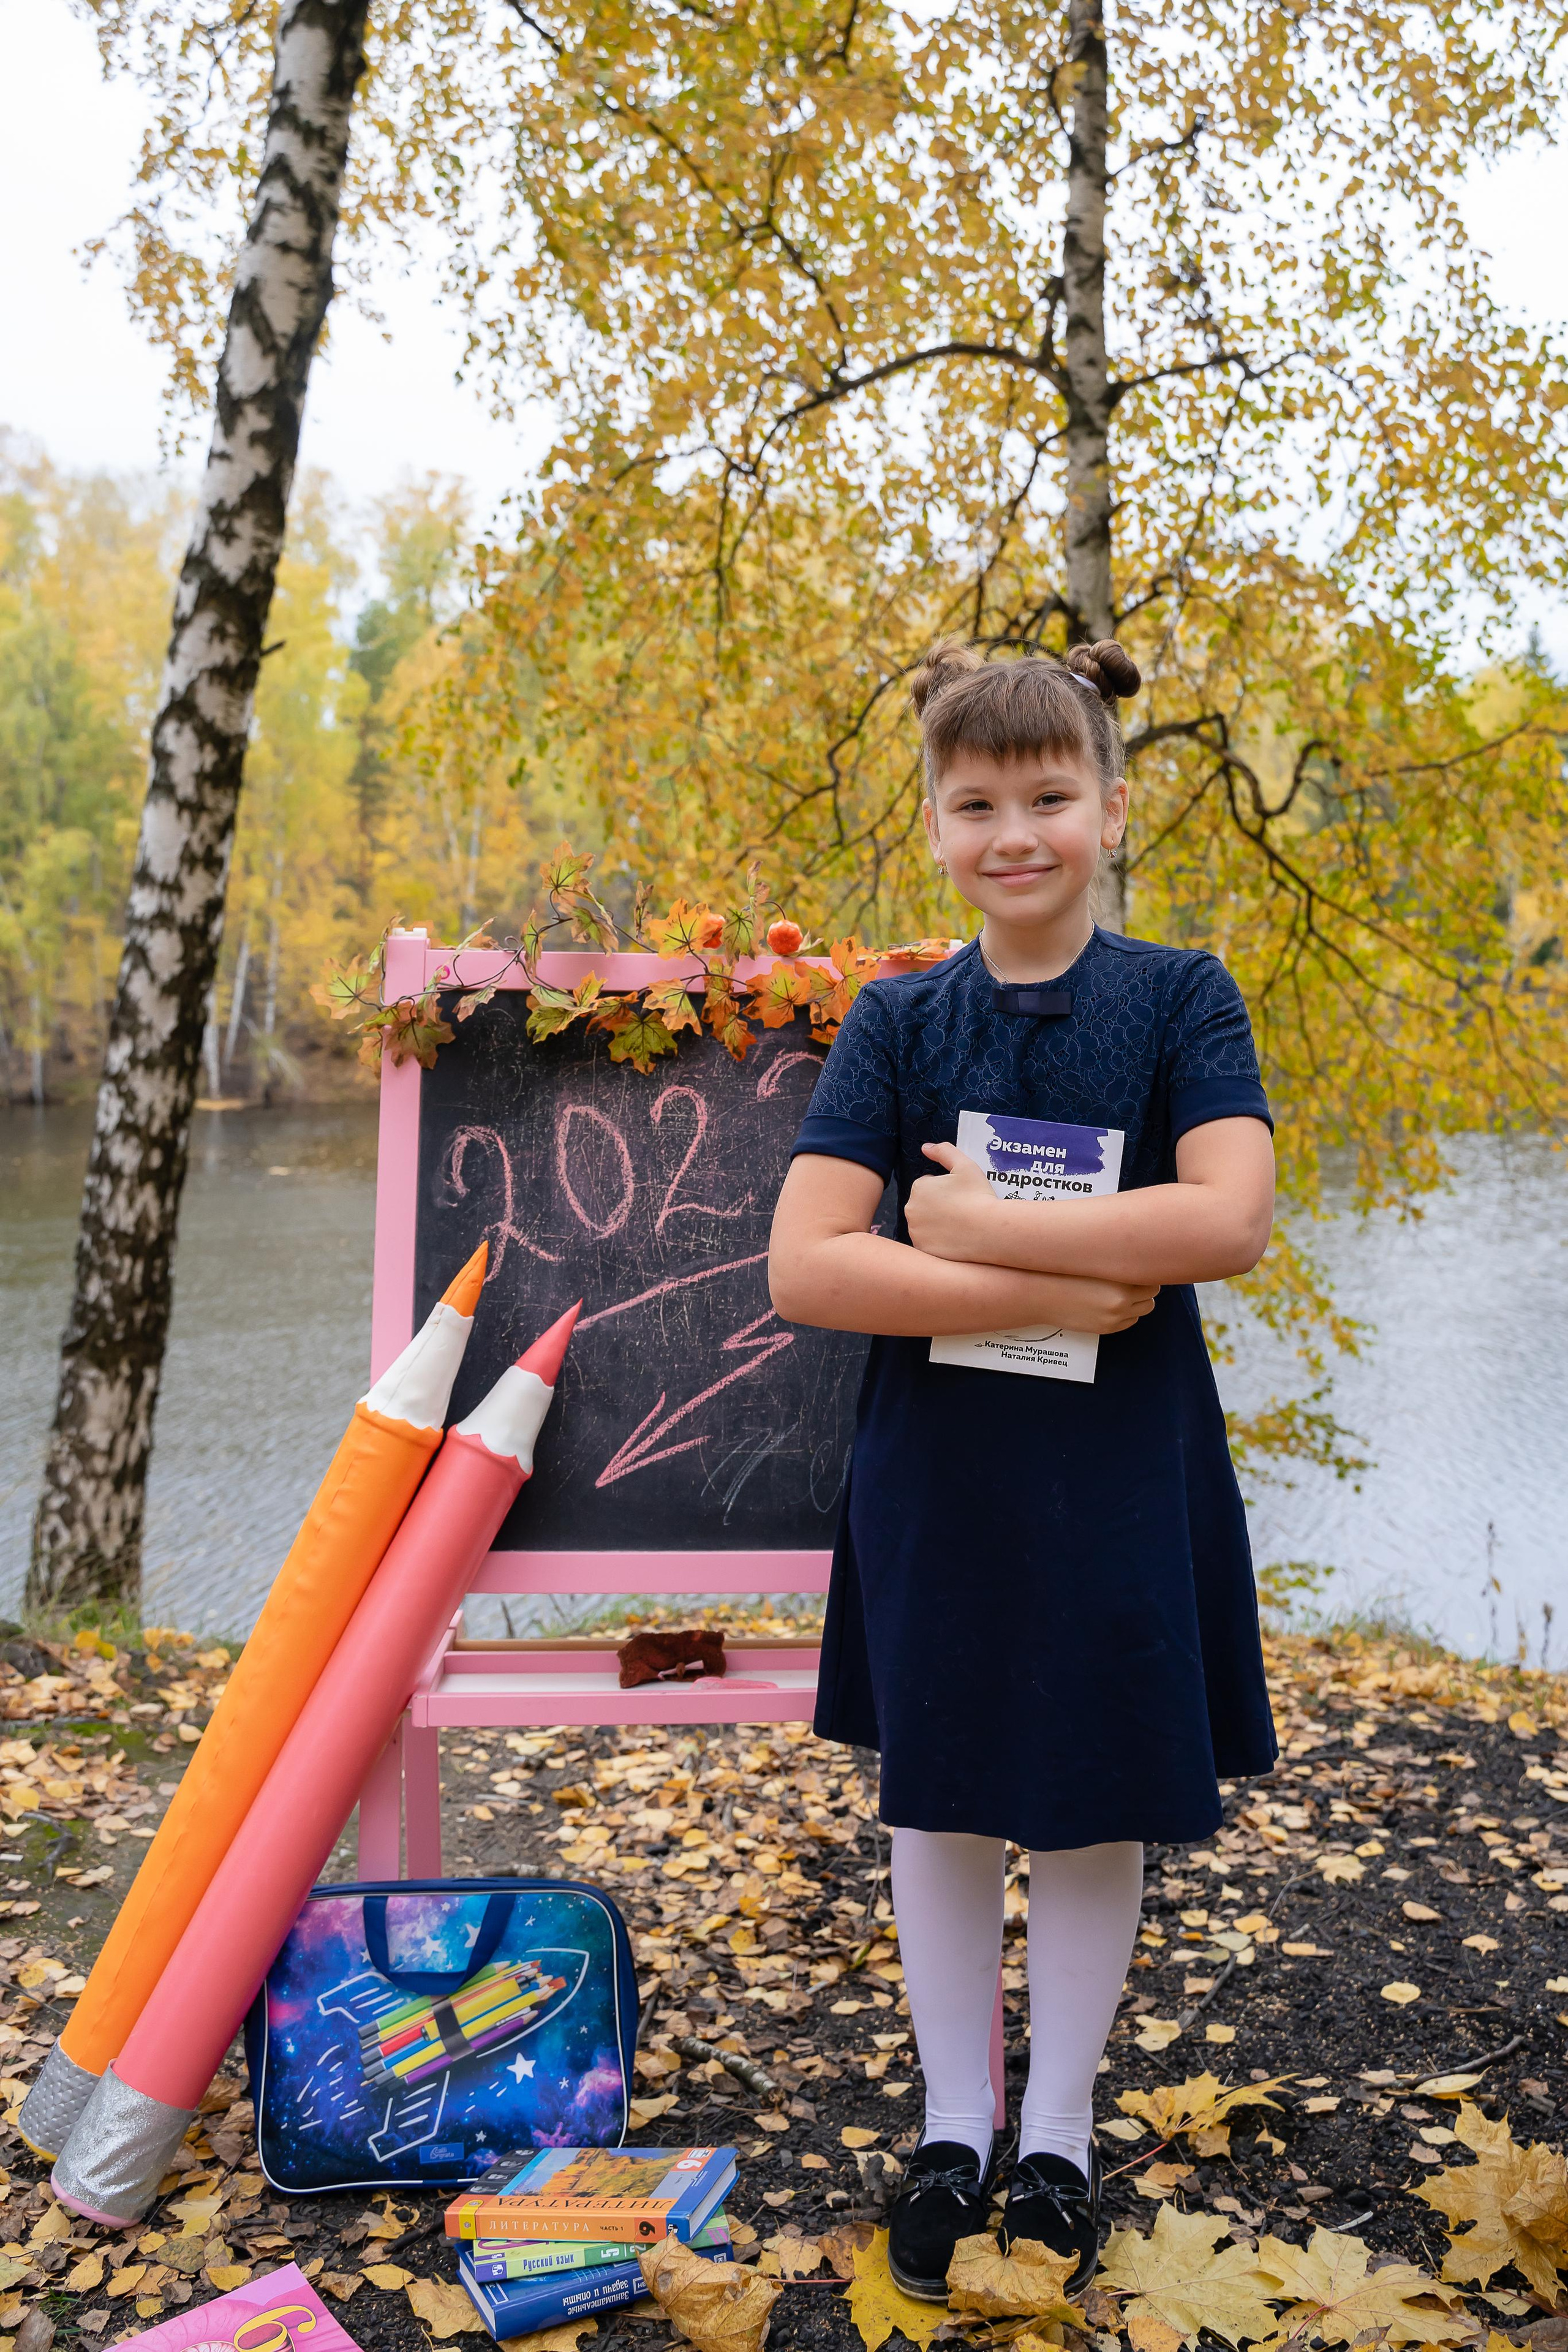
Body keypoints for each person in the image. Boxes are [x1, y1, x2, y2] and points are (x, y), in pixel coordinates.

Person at [767, 638, 1279, 2297]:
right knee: (948, 1790)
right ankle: (953, 2125)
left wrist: (983, 1221)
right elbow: (810, 1268)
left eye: (1049, 797)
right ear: (936, 825)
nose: (1016, 833)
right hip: (946, 1471)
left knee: (1089, 1797)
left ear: (1111, 811)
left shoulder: (1180, 996)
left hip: (1118, 1466)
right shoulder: (898, 1020)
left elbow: (1230, 1220)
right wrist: (1059, 1278)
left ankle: (1055, 2134)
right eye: (977, 802)